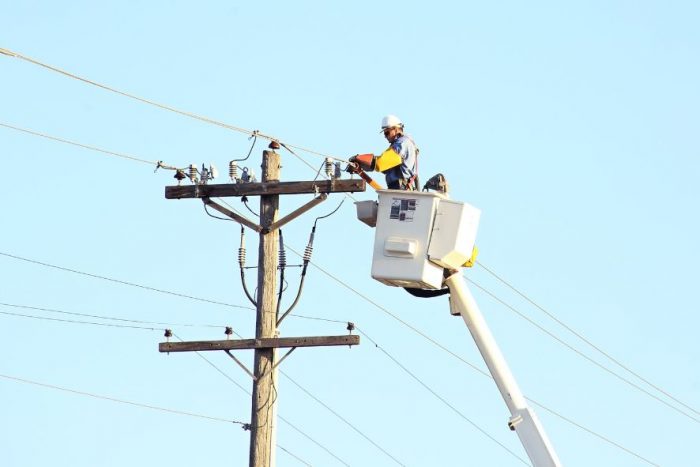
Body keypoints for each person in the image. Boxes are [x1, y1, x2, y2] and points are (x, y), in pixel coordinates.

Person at [348, 115, 419, 190]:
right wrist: (361, 165)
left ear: (395, 129)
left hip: (401, 188)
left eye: (387, 133)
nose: (385, 136)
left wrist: (359, 158)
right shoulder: (400, 144)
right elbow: (384, 168)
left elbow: (381, 163)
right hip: (399, 187)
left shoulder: (402, 143)